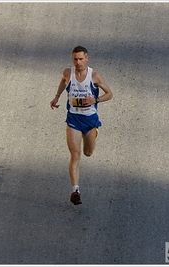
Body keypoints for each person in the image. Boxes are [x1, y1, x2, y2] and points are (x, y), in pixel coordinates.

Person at [50, 46, 113, 205]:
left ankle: (94, 133)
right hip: (73, 119)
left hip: (90, 120)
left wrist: (95, 100)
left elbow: (110, 94)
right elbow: (63, 82)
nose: (77, 62)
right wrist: (56, 96)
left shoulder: (95, 76)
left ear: (87, 59)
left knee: (88, 152)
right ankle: (75, 191)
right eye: (75, 59)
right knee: (75, 155)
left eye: (80, 59)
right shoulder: (67, 73)